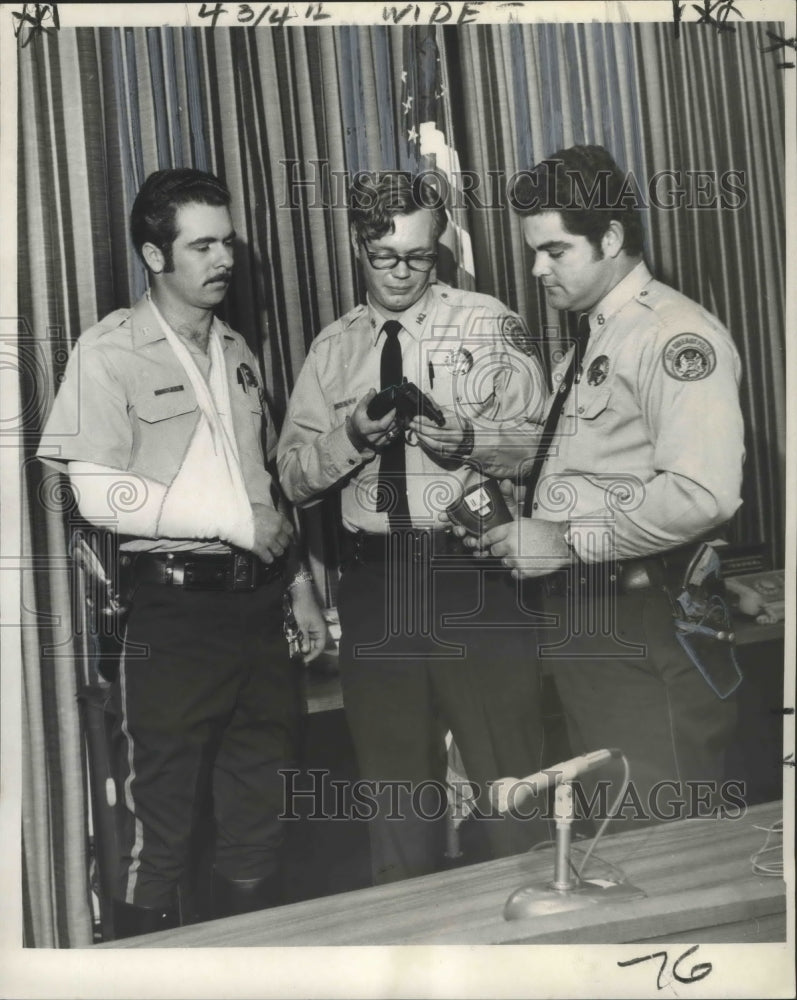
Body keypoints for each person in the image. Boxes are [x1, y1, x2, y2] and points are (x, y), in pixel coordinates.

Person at [37, 168, 327, 938]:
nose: (223, 258)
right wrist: (230, 522)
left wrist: (297, 584)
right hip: (171, 614)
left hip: (258, 611)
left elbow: (264, 488)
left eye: (227, 241)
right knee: (155, 833)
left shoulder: (236, 348)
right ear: (154, 256)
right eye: (202, 245)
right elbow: (98, 496)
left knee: (259, 818)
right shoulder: (107, 352)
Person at [459, 145, 745, 826]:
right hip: (589, 624)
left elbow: (703, 493)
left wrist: (562, 540)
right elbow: (585, 458)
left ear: (610, 238)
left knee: (665, 840)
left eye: (554, 251)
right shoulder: (596, 335)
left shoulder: (674, 334)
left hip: (645, 622)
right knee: (609, 844)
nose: (536, 269)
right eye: (534, 251)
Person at [277, 170, 549, 886]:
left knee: (510, 782)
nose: (401, 273)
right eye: (384, 257)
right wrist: (350, 437)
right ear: (357, 247)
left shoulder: (488, 323)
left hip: (473, 573)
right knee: (396, 799)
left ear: (441, 249)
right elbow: (293, 478)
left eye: (419, 257)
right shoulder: (332, 350)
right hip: (374, 584)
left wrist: (469, 442)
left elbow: (545, 455)